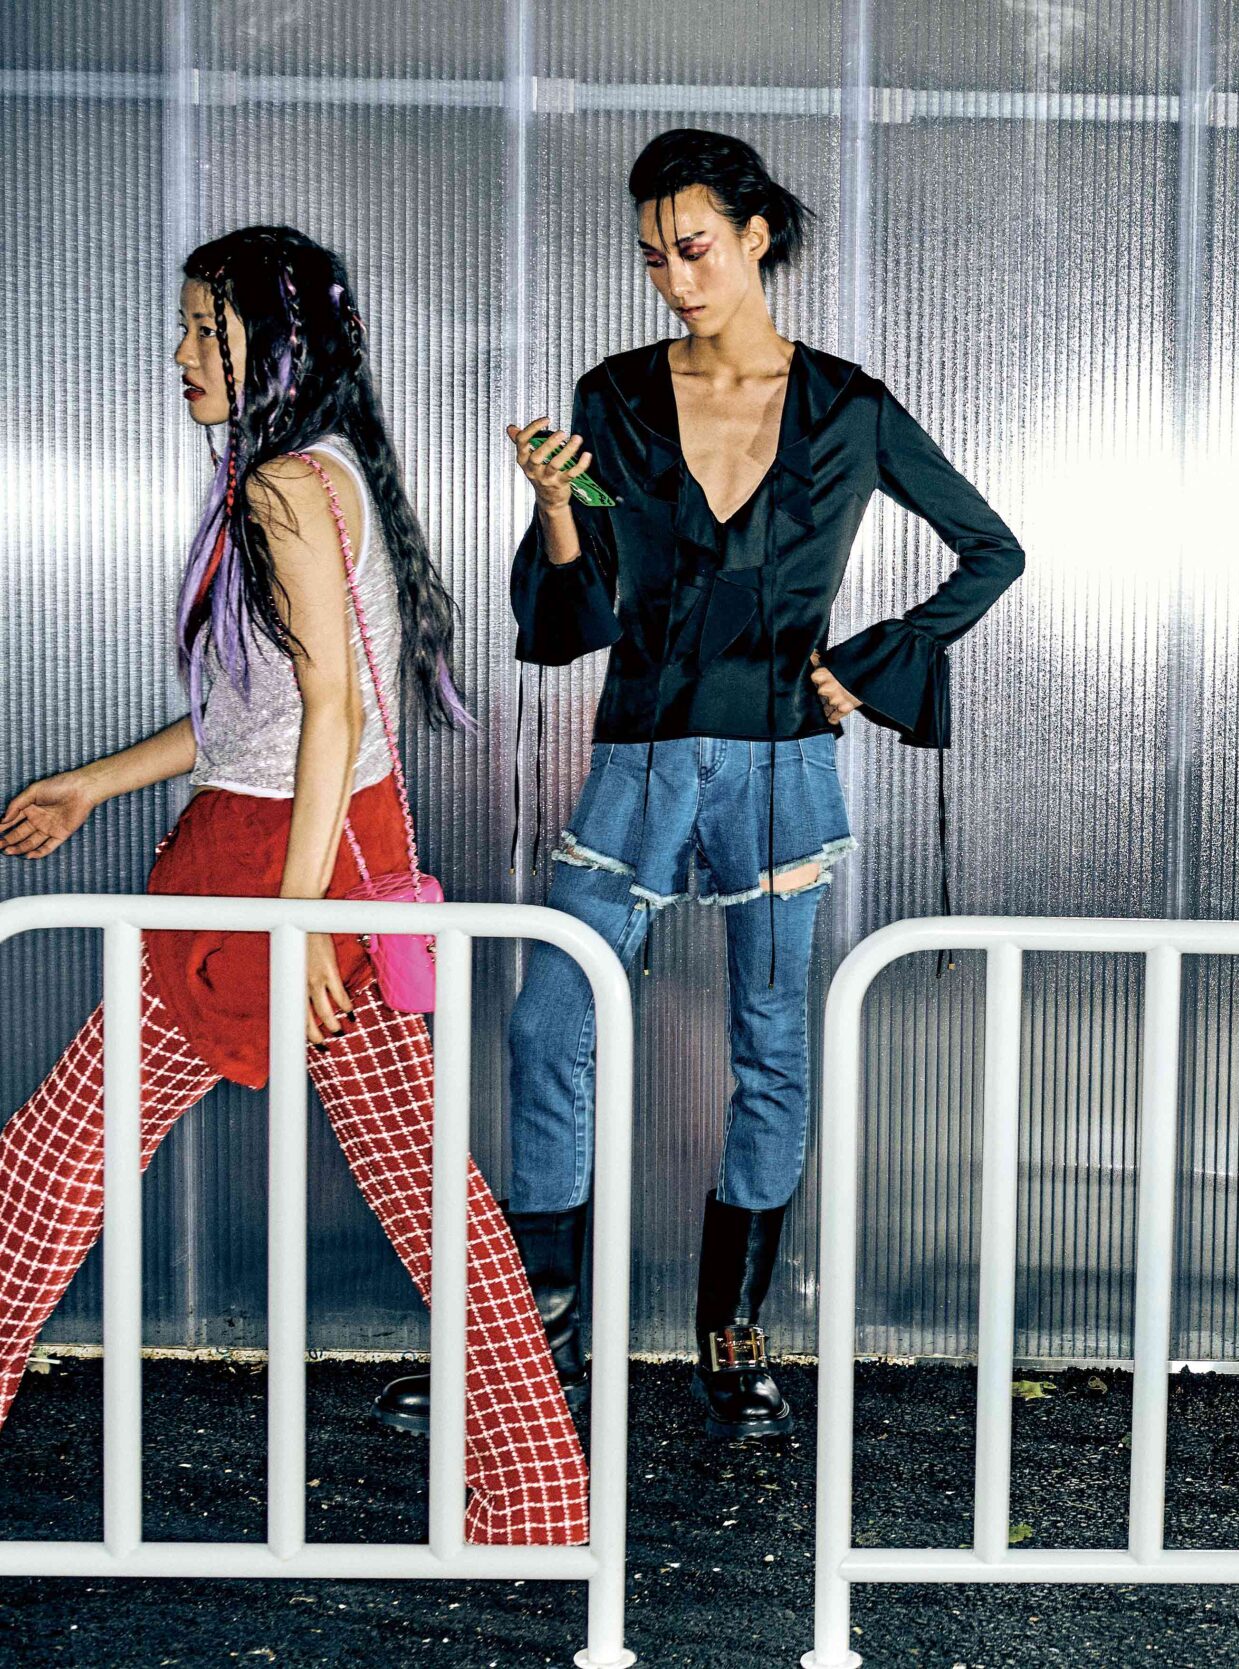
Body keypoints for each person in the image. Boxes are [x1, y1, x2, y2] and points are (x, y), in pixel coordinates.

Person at [373, 129, 1025, 1442]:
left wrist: (865, 669)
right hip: (638, 755)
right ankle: (539, 1343)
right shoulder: (614, 395)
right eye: (654, 258)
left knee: (770, 1045)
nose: (676, 279)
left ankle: (733, 1340)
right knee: (550, 1024)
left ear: (755, 237)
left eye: (695, 248)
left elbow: (991, 549)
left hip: (782, 769)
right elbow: (576, 616)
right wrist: (557, 506)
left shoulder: (847, 407)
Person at [0, 226, 587, 1543]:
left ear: (274, 347)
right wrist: (95, 783)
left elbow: (331, 708)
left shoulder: (279, 487)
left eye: (206, 330)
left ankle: (541, 1496)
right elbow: (261, 718)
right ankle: (539, 1497)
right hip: (305, 857)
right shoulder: (321, 472)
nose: (180, 353)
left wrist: (296, 915)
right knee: (427, 1193)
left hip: (272, 873)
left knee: (47, 1167)